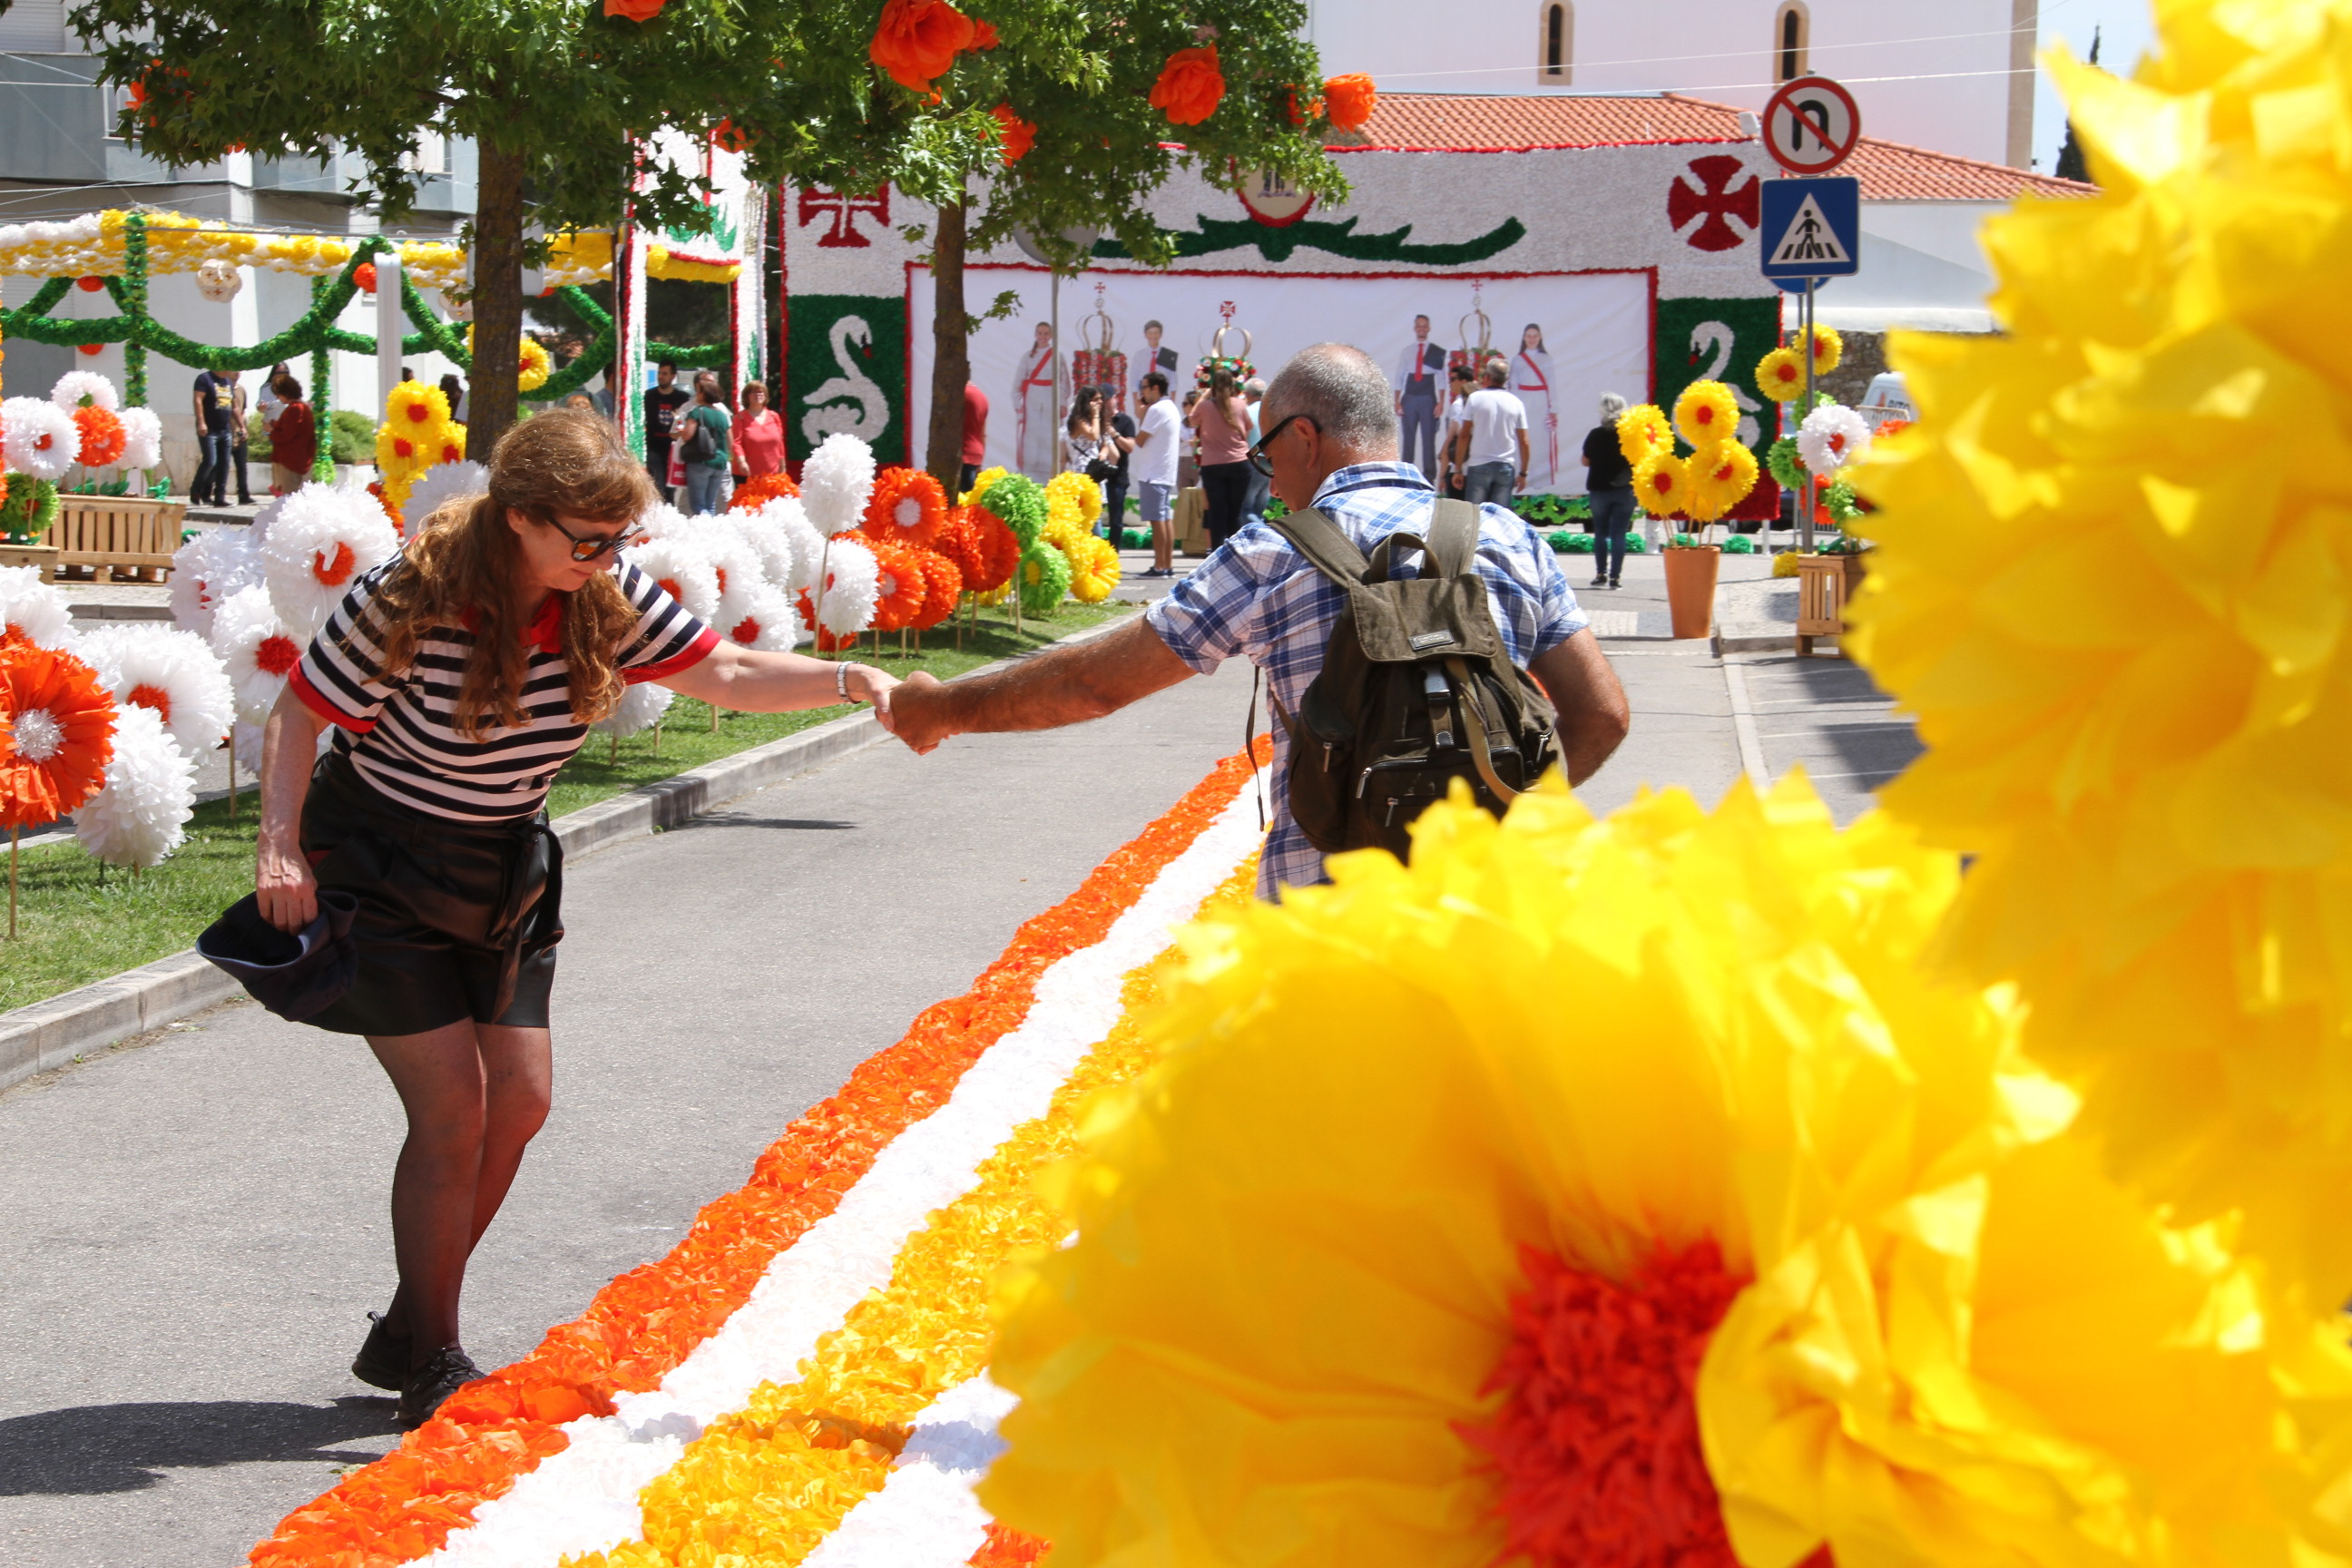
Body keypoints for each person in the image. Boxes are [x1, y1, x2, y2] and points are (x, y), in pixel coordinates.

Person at [252, 410, 900, 1425]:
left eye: (617, 540)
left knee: (521, 1100)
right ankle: (435, 1360)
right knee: (453, 1109)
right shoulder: (415, 595)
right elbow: (302, 709)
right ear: (518, 519)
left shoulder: (602, 591)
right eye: (583, 540)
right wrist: (278, 844)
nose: (602, 559)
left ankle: (411, 1324)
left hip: (503, 869)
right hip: (383, 864)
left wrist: (847, 677)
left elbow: (721, 672)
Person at [886, 342, 1628, 902]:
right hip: (1493, 911)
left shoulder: (1271, 554)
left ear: (1305, 437)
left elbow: (1092, 686)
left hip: (1326, 923)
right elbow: (1602, 716)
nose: (1271, 479)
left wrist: (942, 706)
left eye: (1269, 454)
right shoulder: (1505, 535)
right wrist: (1508, 819)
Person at [1189, 367, 1252, 548]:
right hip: (1239, 461)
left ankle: (1217, 552)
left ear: (1213, 386)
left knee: (1217, 513)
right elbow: (1248, 428)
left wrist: (1203, 396)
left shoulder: (1206, 406)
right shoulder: (1240, 404)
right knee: (1235, 513)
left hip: (1213, 464)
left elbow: (1192, 420)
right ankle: (1236, 553)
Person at [1452, 359, 1528, 506]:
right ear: (1506, 379)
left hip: (1479, 464)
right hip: (1505, 465)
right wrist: (1523, 473)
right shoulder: (1516, 402)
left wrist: (1458, 469)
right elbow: (1524, 441)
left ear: (1487, 376)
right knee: (1500, 518)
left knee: (1474, 517)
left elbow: (1464, 435)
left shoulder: (1475, 399)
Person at [1580, 392, 1636, 590]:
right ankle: (1616, 578)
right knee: (1619, 534)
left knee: (1601, 533)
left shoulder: (1596, 434)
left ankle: (1600, 573)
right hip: (1625, 489)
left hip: (1599, 489)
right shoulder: (1630, 435)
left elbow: (1585, 460)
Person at [1131, 371, 1180, 578]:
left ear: (1155, 389)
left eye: (1144, 387)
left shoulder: (1157, 409)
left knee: (1158, 521)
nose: (1142, 392)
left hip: (1153, 472)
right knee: (1164, 518)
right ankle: (1165, 564)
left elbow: (1140, 440)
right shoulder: (1170, 407)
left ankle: (1161, 566)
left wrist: (1143, 413)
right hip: (1163, 471)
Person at [1394, 314, 1446, 479]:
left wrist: (1440, 403)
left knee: (1428, 438)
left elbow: (1442, 379)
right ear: (1415, 328)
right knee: (1408, 438)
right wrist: (1397, 401)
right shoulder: (1407, 351)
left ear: (1429, 329)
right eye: (1419, 326)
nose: (1422, 329)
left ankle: (1429, 476)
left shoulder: (1435, 352)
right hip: (1410, 396)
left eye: (1425, 326)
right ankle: (1406, 474)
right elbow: (1399, 377)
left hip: (1428, 397)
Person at [1508, 324, 1559, 493]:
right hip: (1523, 398)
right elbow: (1513, 384)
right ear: (1524, 338)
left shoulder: (1546, 359)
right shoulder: (1517, 359)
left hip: (1541, 400)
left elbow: (1552, 383)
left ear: (1540, 337)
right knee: (1523, 437)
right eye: (1529, 335)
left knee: (1540, 438)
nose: (1532, 339)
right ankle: (1521, 475)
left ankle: (1539, 478)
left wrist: (1554, 408)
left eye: (1535, 335)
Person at [679, 372, 734, 515]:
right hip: (720, 463)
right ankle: (712, 532)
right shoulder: (723, 415)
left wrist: (681, 429)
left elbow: (687, 436)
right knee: (711, 505)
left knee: (698, 506)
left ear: (703, 394)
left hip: (700, 462)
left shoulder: (696, 412)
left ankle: (704, 533)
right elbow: (731, 442)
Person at [642, 362, 691, 504]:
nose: (661, 377)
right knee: (659, 484)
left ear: (673, 376)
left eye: (665, 373)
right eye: (659, 373)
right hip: (654, 447)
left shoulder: (681, 398)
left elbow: (685, 421)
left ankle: (669, 514)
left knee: (671, 488)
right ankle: (660, 513)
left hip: (673, 447)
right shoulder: (649, 396)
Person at [1014, 322, 1058, 479]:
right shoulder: (1028, 356)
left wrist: (1062, 404)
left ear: (1051, 336)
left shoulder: (1057, 355)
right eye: (1040, 333)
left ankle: (1048, 471)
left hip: (1049, 396)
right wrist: (1018, 404)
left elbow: (1063, 381)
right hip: (1032, 397)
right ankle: (1030, 472)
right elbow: (1018, 381)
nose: (1043, 336)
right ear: (1035, 335)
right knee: (1031, 433)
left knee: (1048, 432)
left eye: (1046, 333)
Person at [191, 365, 235, 505]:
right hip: (209, 430)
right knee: (210, 461)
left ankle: (219, 497)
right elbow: (198, 400)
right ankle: (196, 491)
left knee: (224, 464)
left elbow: (234, 406)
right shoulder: (205, 379)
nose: (234, 370)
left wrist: (241, 426)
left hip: (225, 429)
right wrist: (201, 423)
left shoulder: (228, 382)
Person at [268, 375, 317, 497]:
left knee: (290, 498)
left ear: (286, 392)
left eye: (278, 394)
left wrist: (271, 432)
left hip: (291, 460)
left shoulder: (295, 409)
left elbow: (287, 435)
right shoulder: (303, 407)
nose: (277, 397)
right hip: (299, 458)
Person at [1438, 364, 1476, 500]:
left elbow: (1458, 435)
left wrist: (1442, 476)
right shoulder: (1480, 402)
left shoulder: (1458, 405)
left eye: (1453, 379)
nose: (1450, 383)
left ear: (1463, 382)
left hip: (1458, 468)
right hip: (1476, 468)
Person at [733, 381, 785, 480]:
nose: (758, 395)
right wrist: (742, 462)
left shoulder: (774, 416)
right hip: (747, 473)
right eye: (754, 392)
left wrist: (783, 465)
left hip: (772, 473)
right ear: (747, 396)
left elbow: (780, 443)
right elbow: (737, 443)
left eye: (761, 392)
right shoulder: (740, 418)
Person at [1240, 377, 1272, 532]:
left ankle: (1262, 533)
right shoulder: (1272, 411)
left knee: (1246, 509)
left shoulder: (1247, 412)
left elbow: (1242, 437)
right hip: (1271, 462)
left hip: (1253, 461)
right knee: (1259, 509)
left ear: (1249, 394)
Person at [1101, 400, 1135, 541]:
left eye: (1109, 399)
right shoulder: (1096, 421)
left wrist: (1114, 434)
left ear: (1115, 399)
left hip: (1117, 477)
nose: (1107, 404)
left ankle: (1114, 554)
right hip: (1098, 476)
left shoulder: (1125, 421)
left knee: (1116, 520)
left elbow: (1130, 447)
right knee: (1095, 518)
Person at [223, 368, 254, 505]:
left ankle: (243, 494)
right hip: (225, 432)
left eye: (239, 370)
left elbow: (242, 411)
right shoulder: (223, 388)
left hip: (239, 432)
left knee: (242, 466)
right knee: (221, 465)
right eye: (234, 369)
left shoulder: (241, 390)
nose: (237, 372)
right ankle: (210, 492)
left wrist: (243, 428)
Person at [1136, 319, 1181, 411]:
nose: (1153, 336)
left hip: (1163, 399)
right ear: (1145, 335)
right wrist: (1136, 405)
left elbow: (1173, 382)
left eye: (1156, 333)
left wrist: (1172, 403)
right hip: (1145, 398)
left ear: (1161, 335)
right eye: (1150, 333)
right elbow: (1134, 382)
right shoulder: (1139, 355)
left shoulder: (1167, 355)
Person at [1063, 386, 1106, 476]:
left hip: (1095, 468)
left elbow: (1105, 442)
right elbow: (1093, 436)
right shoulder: (1079, 420)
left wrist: (1103, 454)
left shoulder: (1095, 420)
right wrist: (1095, 415)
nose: (1100, 402)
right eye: (1096, 399)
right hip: (1082, 468)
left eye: (1101, 398)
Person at [960, 381, 989, 494]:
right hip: (976, 452)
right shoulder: (982, 396)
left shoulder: (960, 394)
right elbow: (983, 433)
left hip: (962, 453)